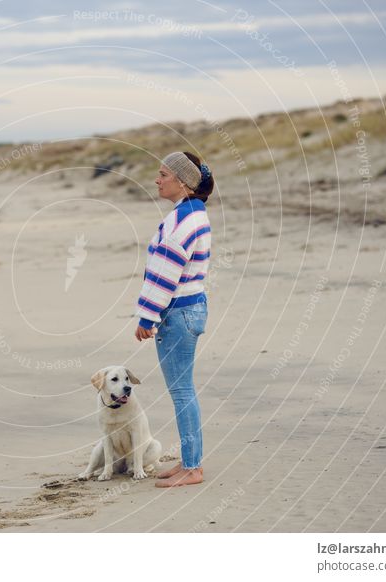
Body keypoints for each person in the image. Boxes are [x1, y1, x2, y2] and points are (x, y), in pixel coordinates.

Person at [134, 151, 213, 488]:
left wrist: (147, 316)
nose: (157, 179)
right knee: (183, 390)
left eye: (163, 174)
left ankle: (193, 468)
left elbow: (166, 275)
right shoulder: (191, 214)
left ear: (182, 181)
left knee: (182, 392)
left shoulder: (183, 221)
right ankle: (189, 461)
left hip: (178, 312)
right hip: (189, 309)